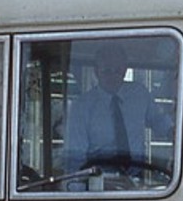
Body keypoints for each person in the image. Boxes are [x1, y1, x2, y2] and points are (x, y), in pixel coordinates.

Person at [64, 42, 173, 172]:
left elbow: (159, 120)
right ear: (96, 71)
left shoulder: (139, 94)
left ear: (125, 69)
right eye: (107, 70)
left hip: (138, 179)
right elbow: (76, 156)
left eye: (118, 70)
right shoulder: (81, 107)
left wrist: (174, 134)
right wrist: (79, 188)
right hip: (99, 182)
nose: (113, 76)